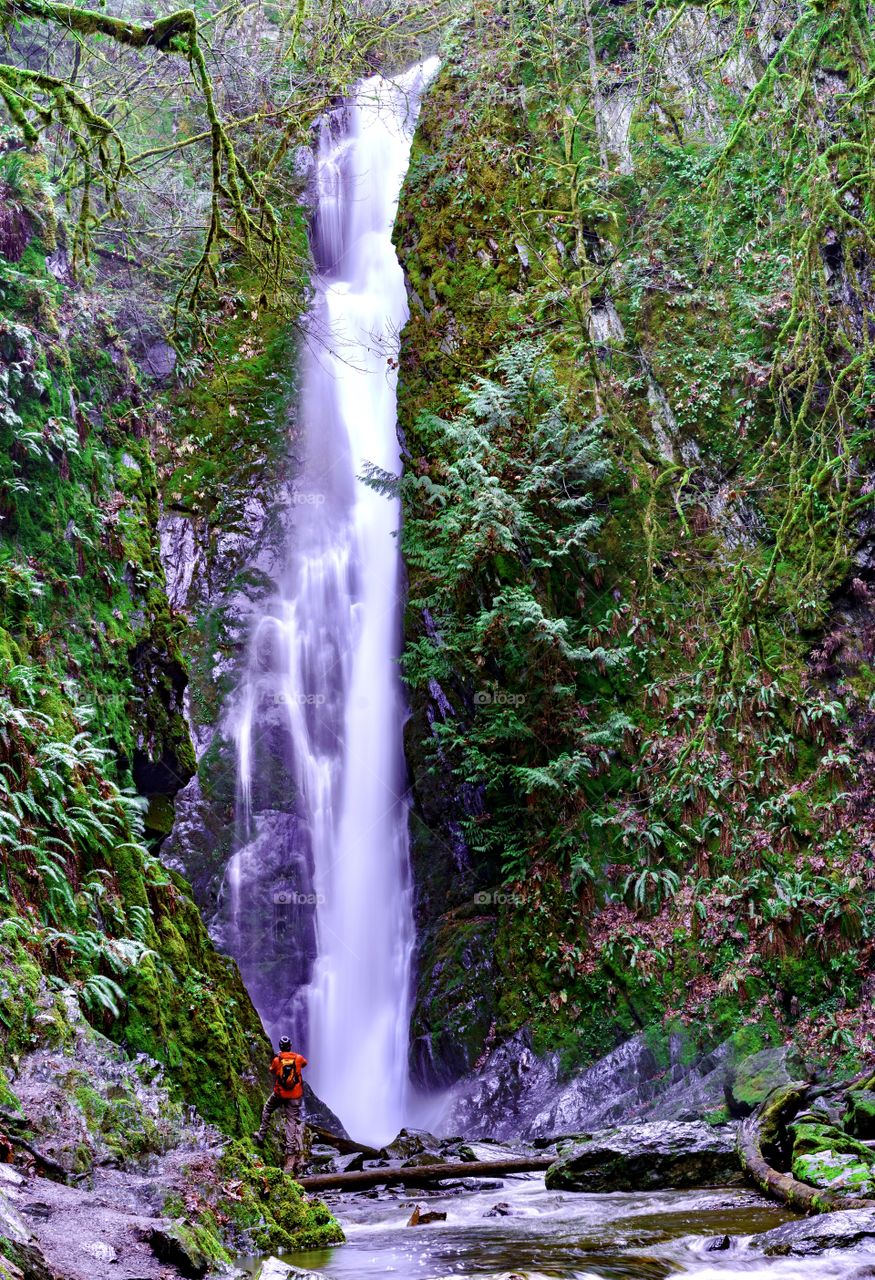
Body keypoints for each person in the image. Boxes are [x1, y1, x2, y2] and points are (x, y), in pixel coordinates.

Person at [253, 1036, 308, 1174]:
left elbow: (271, 1069)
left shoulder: (278, 1060)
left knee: (267, 1109)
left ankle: (261, 1135)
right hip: (294, 1096)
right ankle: (290, 1153)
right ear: (290, 1046)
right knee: (291, 1122)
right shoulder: (298, 1058)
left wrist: (279, 1059)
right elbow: (305, 1063)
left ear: (280, 1047)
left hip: (280, 1094)